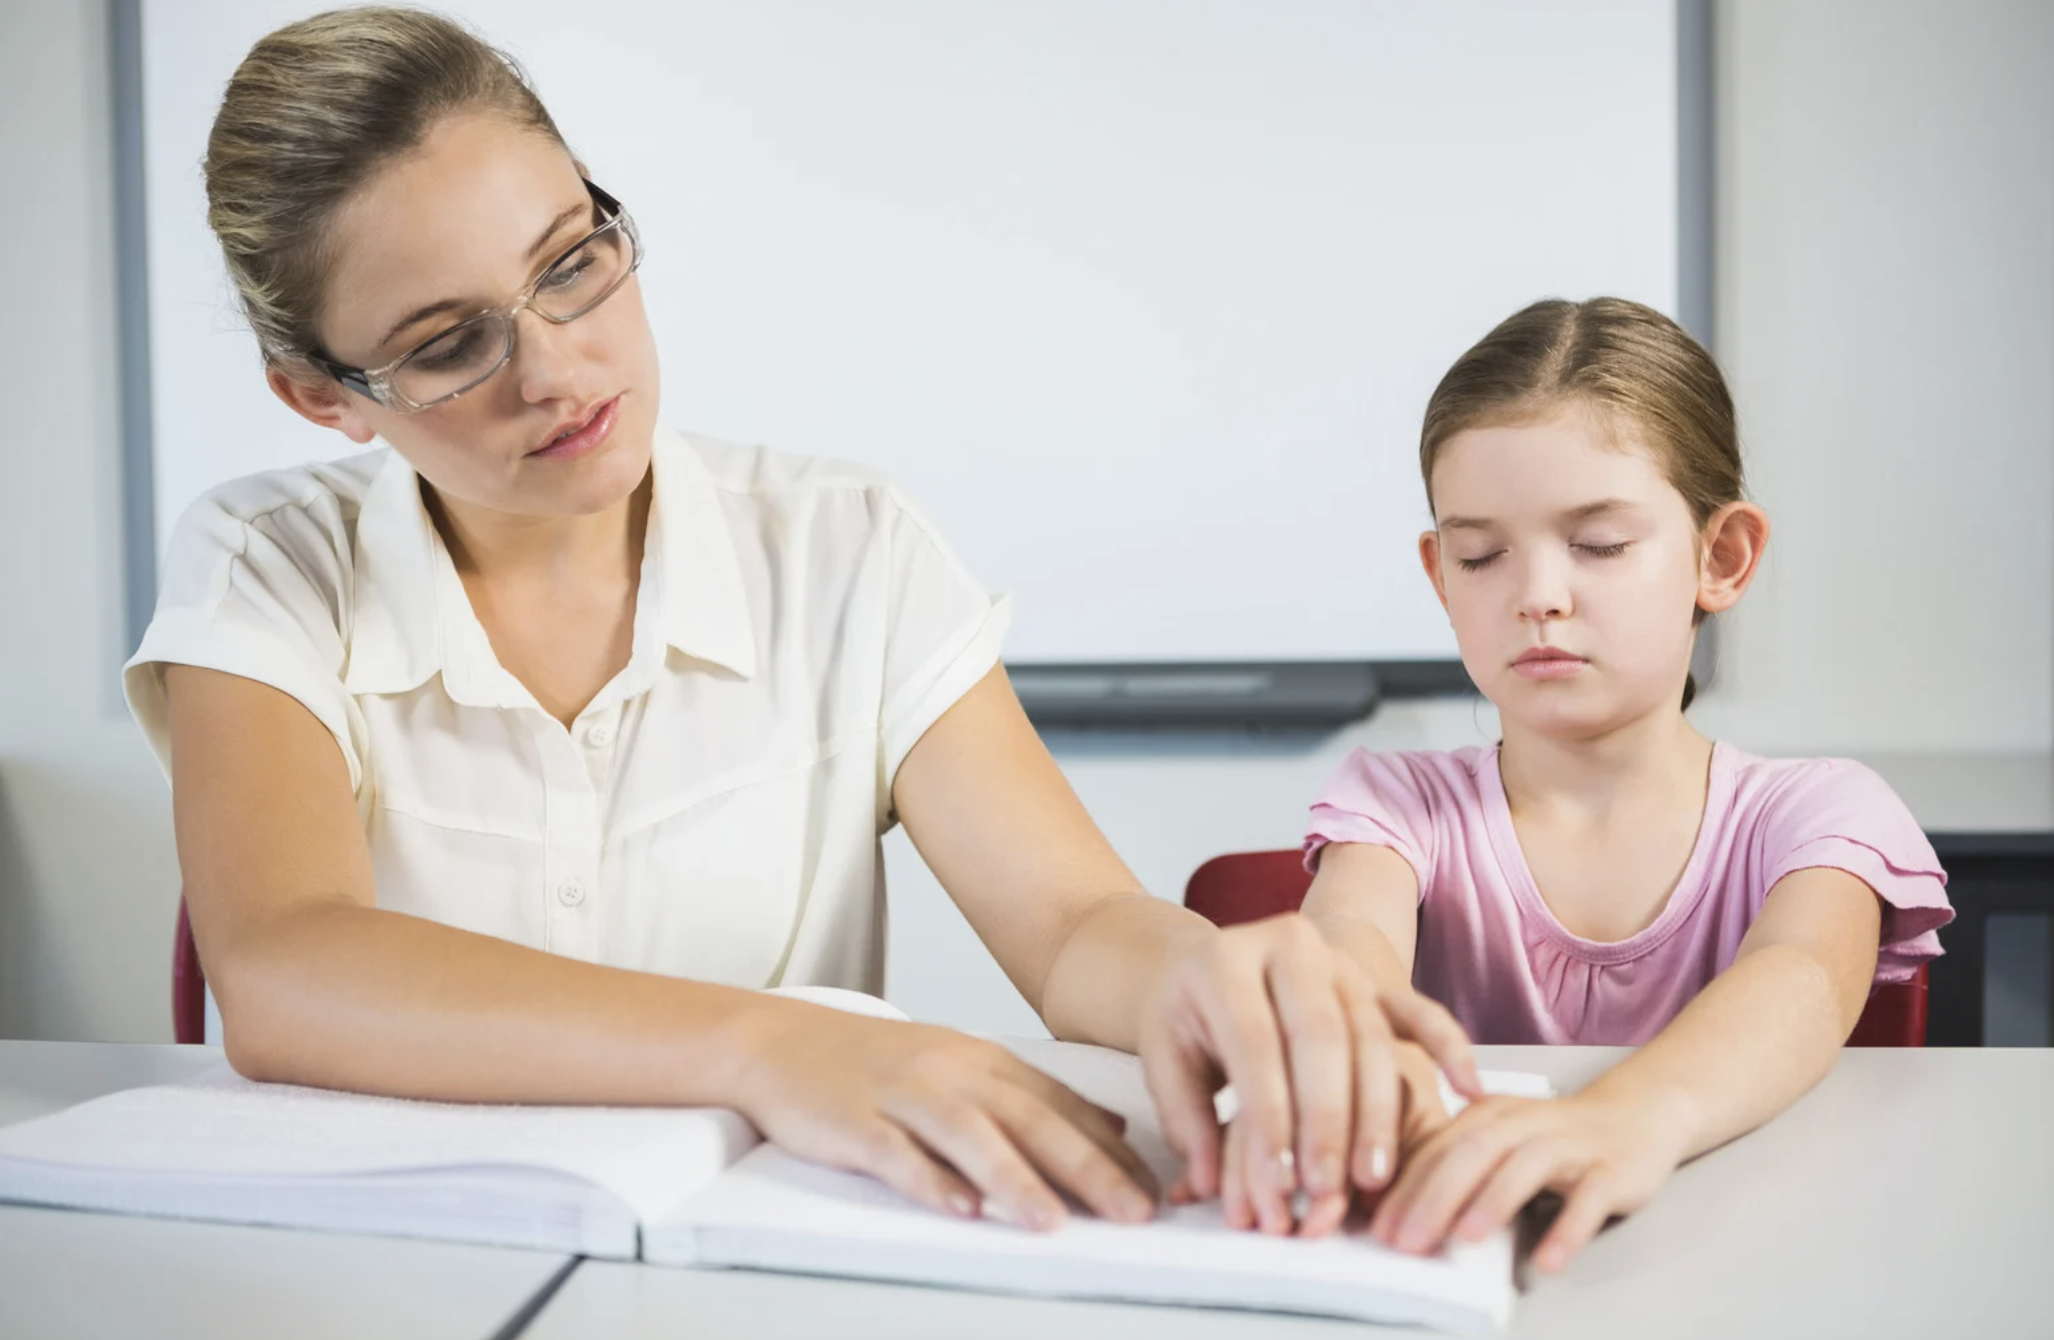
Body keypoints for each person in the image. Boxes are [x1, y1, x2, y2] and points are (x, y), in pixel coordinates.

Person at [125, 7, 1477, 1241]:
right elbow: (286, 966)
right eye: (445, 344)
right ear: (323, 397)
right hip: (390, 1272)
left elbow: (1069, 929)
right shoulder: (269, 563)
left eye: (571, 263)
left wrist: (1210, 980)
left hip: (762, 1274)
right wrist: (773, 1047)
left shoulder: (848, 548)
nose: (555, 367)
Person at [1293, 297, 1954, 1269]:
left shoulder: (1820, 813)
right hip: (1462, 1253)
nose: (1537, 594)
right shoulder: (1394, 806)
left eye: (1597, 543)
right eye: (1481, 554)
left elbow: (1801, 976)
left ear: (1718, 556)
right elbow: (1347, 943)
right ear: (1440, 575)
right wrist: (1350, 1046)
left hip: (1749, 1261)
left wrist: (1627, 1117)